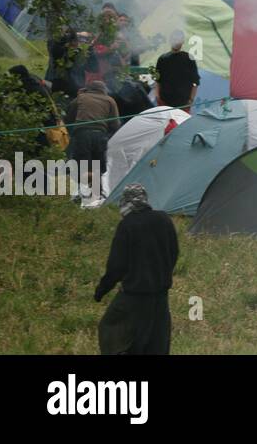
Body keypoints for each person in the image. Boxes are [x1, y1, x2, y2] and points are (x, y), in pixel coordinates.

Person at [94, 184, 179, 355]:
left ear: (125, 201)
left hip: (134, 298)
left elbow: (116, 266)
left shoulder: (127, 225)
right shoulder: (163, 219)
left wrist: (101, 290)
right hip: (160, 298)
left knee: (112, 331)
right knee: (156, 345)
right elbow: (174, 252)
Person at [66, 81, 118, 203]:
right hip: (100, 135)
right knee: (97, 166)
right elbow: (115, 124)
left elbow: (69, 117)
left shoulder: (81, 98)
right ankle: (97, 194)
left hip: (82, 134)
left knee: (82, 165)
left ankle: (80, 193)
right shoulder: (110, 100)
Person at [154, 33, 200, 111]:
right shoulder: (162, 59)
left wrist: (191, 99)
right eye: (174, 39)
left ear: (182, 42)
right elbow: (158, 80)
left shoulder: (189, 58)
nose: (176, 42)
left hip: (184, 103)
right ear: (170, 41)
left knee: (183, 123)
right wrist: (157, 96)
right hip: (164, 103)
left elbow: (195, 82)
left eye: (179, 40)